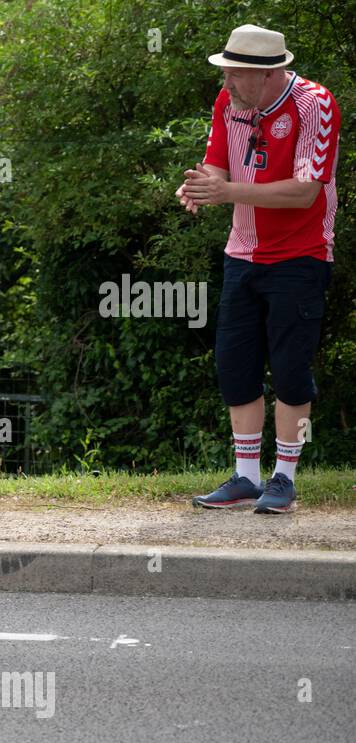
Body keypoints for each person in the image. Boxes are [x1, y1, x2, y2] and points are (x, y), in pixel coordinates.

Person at [177, 25, 340, 514]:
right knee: (235, 366)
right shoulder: (228, 103)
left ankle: (284, 480)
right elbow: (217, 166)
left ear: (265, 74)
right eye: (225, 71)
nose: (225, 81)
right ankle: (246, 476)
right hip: (241, 255)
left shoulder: (316, 104)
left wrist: (227, 192)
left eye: (233, 73)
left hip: (302, 254)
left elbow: (304, 191)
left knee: (291, 371)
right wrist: (202, 187)